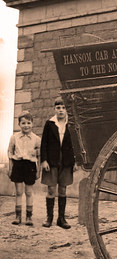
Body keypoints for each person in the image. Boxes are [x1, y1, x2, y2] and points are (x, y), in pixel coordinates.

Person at [40, 98, 77, 229]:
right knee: (51, 189)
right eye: (58, 108)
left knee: (63, 189)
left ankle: (61, 219)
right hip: (51, 161)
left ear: (67, 110)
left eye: (63, 108)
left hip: (66, 161)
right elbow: (44, 143)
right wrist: (43, 160)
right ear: (54, 109)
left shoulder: (71, 124)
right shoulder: (49, 124)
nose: (61, 110)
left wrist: (75, 161)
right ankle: (49, 218)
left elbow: (75, 144)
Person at [8, 112, 41, 226]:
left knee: (28, 192)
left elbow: (39, 156)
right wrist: (10, 168)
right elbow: (10, 153)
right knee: (18, 191)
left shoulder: (36, 139)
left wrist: (39, 170)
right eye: (23, 123)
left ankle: (29, 216)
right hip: (17, 165)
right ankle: (18, 216)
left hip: (30, 166)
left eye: (28, 123)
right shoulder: (14, 137)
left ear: (32, 124)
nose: (26, 125)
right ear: (19, 124)